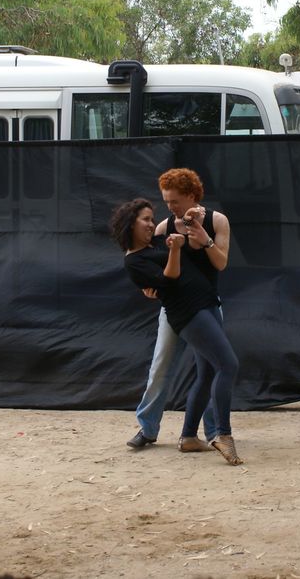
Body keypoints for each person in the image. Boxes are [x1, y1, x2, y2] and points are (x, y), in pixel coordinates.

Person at [110, 198, 242, 465]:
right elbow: (168, 280)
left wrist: (195, 221)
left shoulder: (159, 241)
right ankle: (221, 434)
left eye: (151, 218)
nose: (151, 223)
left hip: (207, 303)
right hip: (189, 312)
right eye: (145, 219)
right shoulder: (135, 260)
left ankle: (189, 437)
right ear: (129, 224)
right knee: (227, 365)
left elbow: (194, 249)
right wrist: (174, 250)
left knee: (206, 373)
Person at [125, 168, 231, 451]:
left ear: (192, 196)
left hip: (208, 303)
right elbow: (151, 268)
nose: (170, 207)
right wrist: (150, 289)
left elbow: (220, 263)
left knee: (210, 368)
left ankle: (210, 432)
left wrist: (201, 237)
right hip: (176, 309)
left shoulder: (216, 221)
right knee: (161, 366)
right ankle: (147, 428)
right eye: (167, 201)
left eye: (175, 201)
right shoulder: (163, 228)